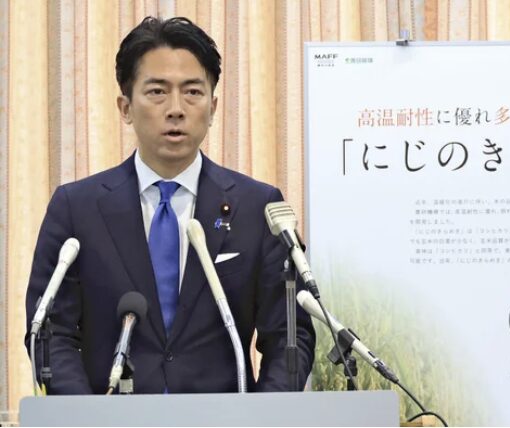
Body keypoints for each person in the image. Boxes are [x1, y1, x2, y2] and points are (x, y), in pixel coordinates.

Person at [24, 16, 315, 394]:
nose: (176, 108)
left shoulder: (258, 208)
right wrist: (87, 417)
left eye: (192, 92)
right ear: (125, 107)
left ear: (212, 107)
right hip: (111, 417)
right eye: (157, 92)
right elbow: (52, 333)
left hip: (225, 419)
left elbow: (290, 338)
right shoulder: (76, 209)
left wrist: (259, 416)